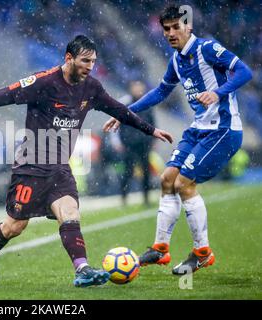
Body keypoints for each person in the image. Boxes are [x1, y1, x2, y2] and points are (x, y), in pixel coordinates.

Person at [0, 35, 173, 287]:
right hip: (31, 167)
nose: (90, 66)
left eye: (93, 62)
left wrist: (150, 130)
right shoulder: (43, 82)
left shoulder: (91, 88)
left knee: (70, 213)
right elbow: (5, 94)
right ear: (68, 58)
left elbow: (119, 110)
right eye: (85, 61)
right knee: (14, 226)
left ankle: (82, 269)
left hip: (60, 168)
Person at [103, 6, 253, 275]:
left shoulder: (208, 49)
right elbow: (161, 91)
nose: (171, 33)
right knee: (167, 178)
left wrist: (218, 93)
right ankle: (160, 249)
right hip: (197, 129)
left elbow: (244, 72)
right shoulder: (176, 60)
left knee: (184, 183)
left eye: (176, 27)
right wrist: (125, 113)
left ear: (188, 27)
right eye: (167, 29)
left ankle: (203, 253)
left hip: (224, 129)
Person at [111, 80, 156, 206]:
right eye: (135, 87)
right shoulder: (125, 103)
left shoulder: (146, 104)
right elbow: (116, 122)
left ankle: (146, 198)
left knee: (146, 172)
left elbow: (152, 122)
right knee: (128, 172)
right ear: (131, 88)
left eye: (140, 87)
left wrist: (153, 139)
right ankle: (124, 198)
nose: (138, 90)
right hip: (129, 144)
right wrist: (117, 141)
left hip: (143, 143)